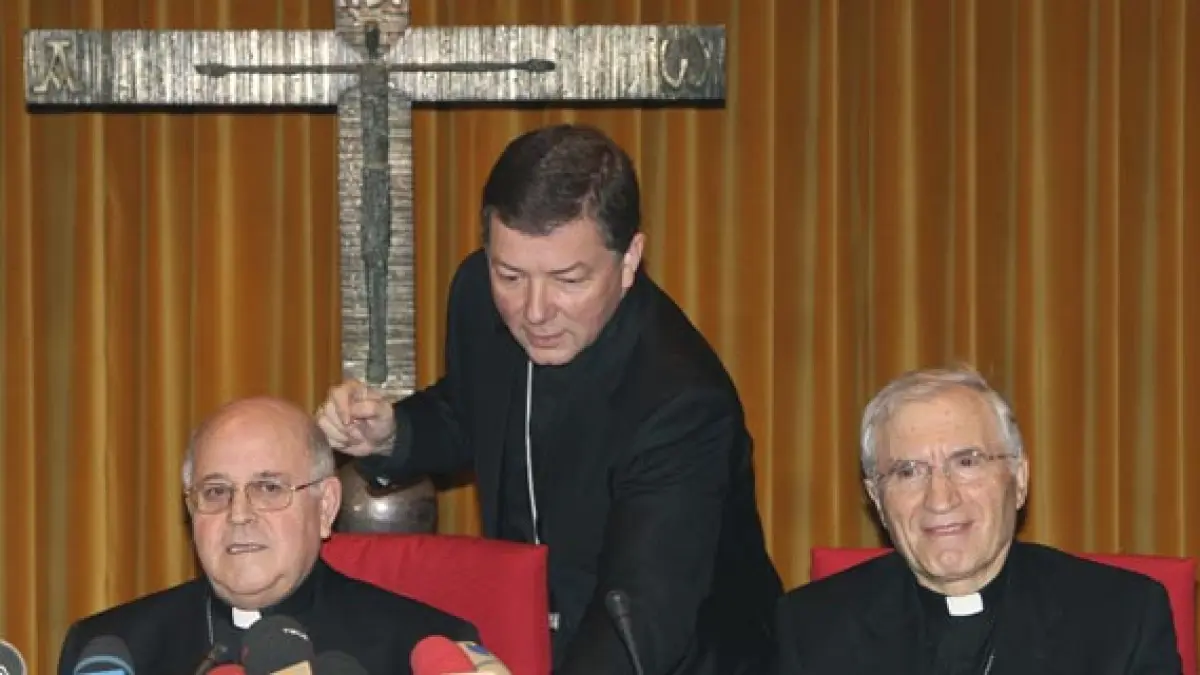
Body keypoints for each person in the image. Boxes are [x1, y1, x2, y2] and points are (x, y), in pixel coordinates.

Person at [317, 123, 783, 675]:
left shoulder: (681, 404)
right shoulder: (477, 294)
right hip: (532, 642)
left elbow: (640, 622)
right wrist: (393, 434)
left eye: (568, 280)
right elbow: (472, 409)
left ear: (630, 259)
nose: (534, 311)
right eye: (510, 275)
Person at [770, 366, 1183, 675]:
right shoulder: (810, 630)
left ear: (1019, 479)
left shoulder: (1121, 619)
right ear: (877, 499)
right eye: (908, 471)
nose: (940, 498)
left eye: (966, 462)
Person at [57, 397, 479, 675]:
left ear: (326, 506)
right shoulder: (112, 653)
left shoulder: (423, 649)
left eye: (269, 488)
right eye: (216, 491)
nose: (239, 514)